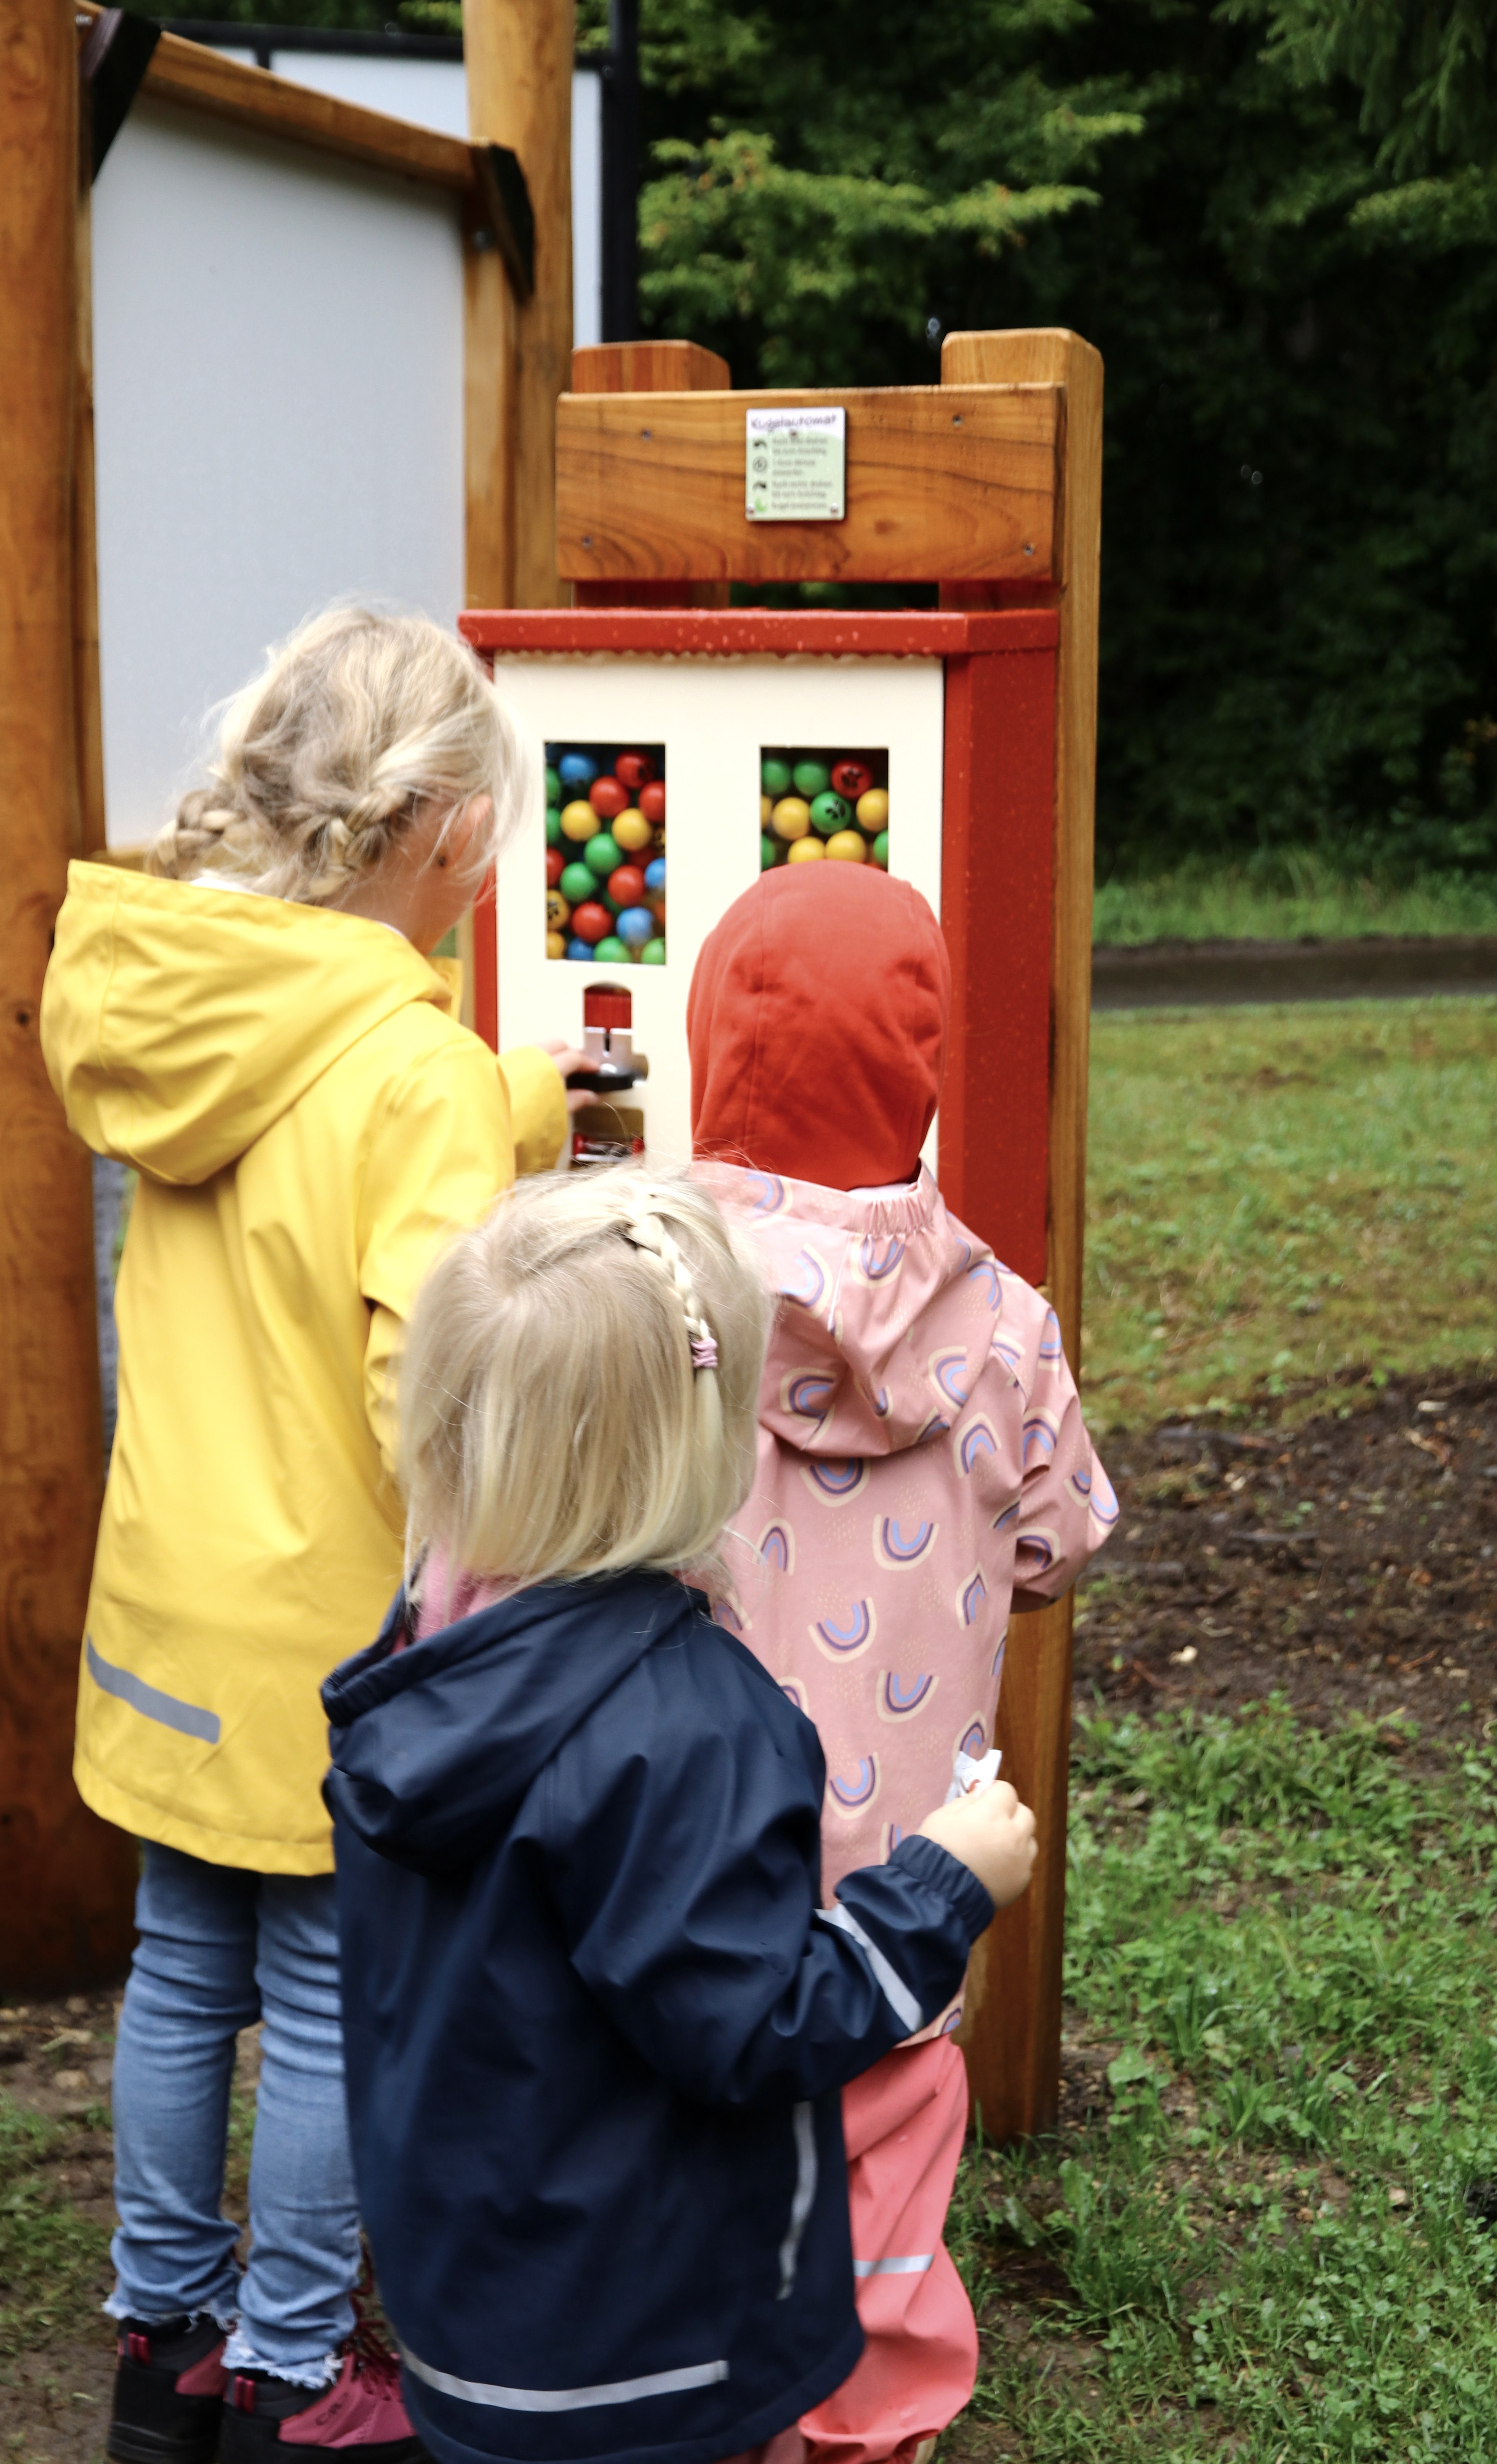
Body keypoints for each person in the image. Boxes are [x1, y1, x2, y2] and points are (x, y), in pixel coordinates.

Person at [41, 608, 587, 2464]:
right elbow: (416, 1382)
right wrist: (494, 1587)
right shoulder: (410, 1067)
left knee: (181, 1968)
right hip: (329, 1639)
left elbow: (304, 1134)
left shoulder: (191, 997)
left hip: (168, 1606)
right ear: (447, 828)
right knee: (331, 1998)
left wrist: (513, 1104)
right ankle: (294, 2371)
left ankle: (166, 2342)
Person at [323, 1166, 1038, 2464]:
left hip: (470, 2311)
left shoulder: (421, 1653)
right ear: (702, 1439)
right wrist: (942, 1885)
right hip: (651, 2351)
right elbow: (753, 2027)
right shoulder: (688, 1723)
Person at [686, 860, 1118, 2464]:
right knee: (879, 2194)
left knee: (685, 2183)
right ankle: (864, 2424)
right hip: (908, 1890)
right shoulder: (1006, 1324)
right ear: (920, 1072)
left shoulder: (637, 1299)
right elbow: (1057, 1549)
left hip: (676, 1886)